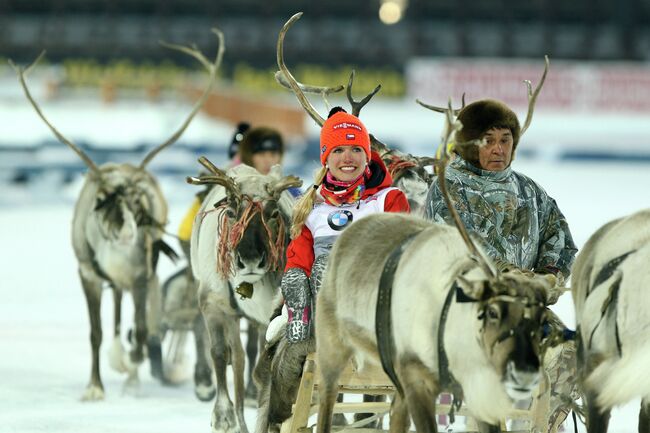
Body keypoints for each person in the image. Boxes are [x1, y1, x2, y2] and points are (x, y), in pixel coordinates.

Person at [424, 99, 579, 431]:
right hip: (466, 312)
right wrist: (515, 279)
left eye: (505, 140)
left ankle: (538, 427)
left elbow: (559, 239)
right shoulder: (446, 187)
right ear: (468, 143)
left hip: (524, 309)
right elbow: (461, 245)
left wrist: (549, 277)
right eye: (487, 140)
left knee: (569, 353)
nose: (498, 149)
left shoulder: (530, 191)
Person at [276, 107, 410, 344]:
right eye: (338, 150)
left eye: (356, 149)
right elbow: (300, 257)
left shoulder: (387, 199)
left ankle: (333, 320)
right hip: (323, 293)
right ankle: (305, 314)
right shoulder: (313, 206)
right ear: (326, 158)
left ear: (367, 156)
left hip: (372, 293)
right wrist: (295, 279)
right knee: (302, 272)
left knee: (327, 265)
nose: (347, 158)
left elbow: (400, 253)